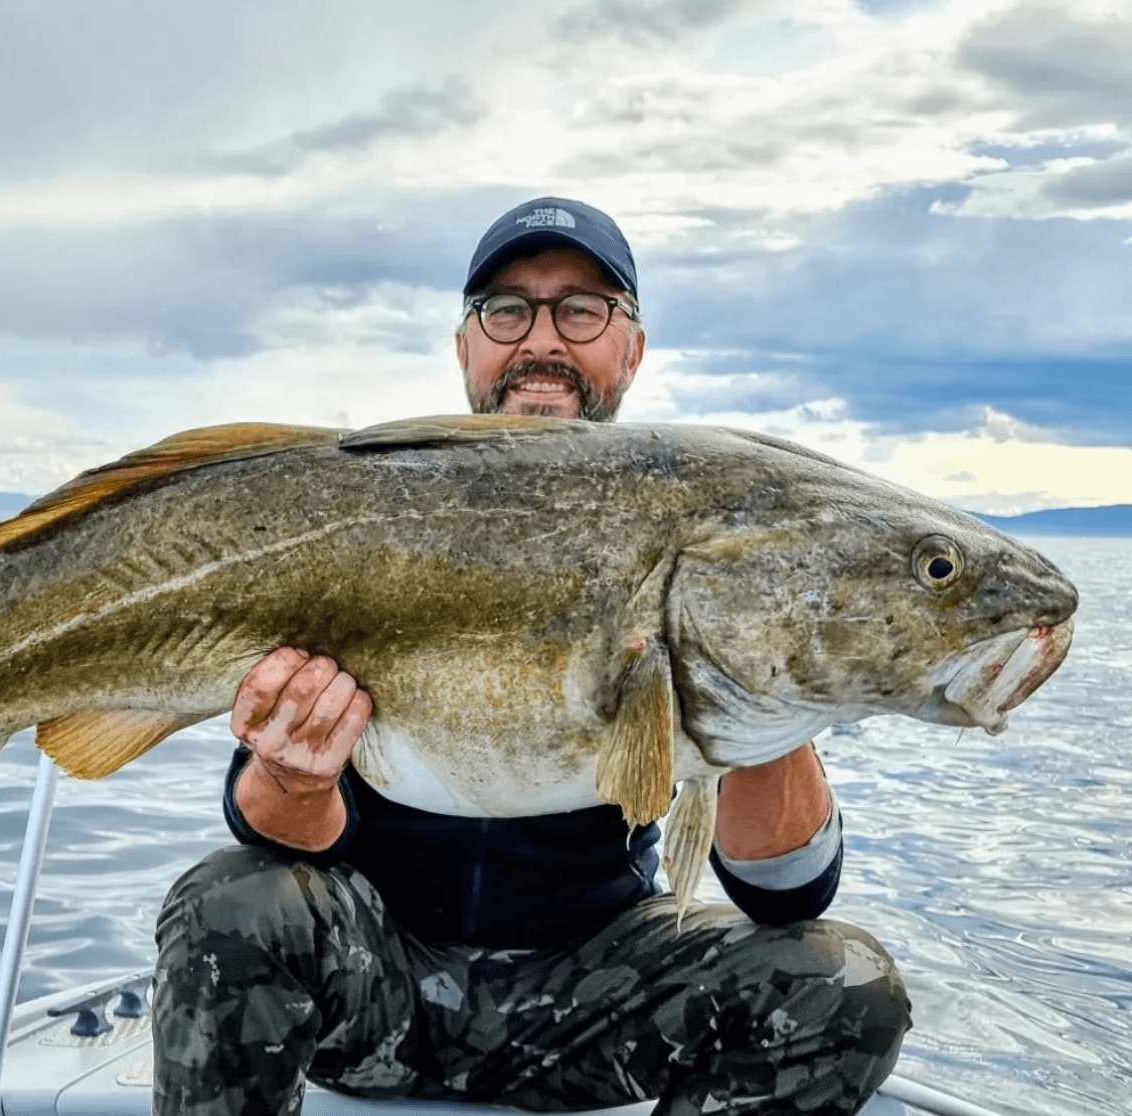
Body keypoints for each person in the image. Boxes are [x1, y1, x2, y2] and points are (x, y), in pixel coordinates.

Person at [151, 198, 912, 1116]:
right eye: (507, 309)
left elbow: (788, 895)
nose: (542, 339)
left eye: (582, 309)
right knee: (227, 904)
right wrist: (297, 778)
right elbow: (270, 841)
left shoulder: (698, 529)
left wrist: (756, 673)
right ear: (466, 346)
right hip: (377, 980)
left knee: (844, 981)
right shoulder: (374, 512)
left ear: (631, 348)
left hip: (592, 995)